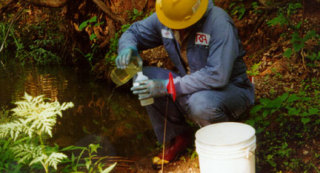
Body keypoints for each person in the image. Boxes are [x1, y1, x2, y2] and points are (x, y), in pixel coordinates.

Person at [115, 0, 255, 168]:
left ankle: (220, 142)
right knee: (144, 77)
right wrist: (127, 48)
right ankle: (179, 137)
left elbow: (217, 75)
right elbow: (134, 32)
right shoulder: (167, 17)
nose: (174, 28)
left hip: (230, 89)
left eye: (179, 25)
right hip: (192, 85)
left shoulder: (218, 23)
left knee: (200, 104)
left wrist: (167, 86)